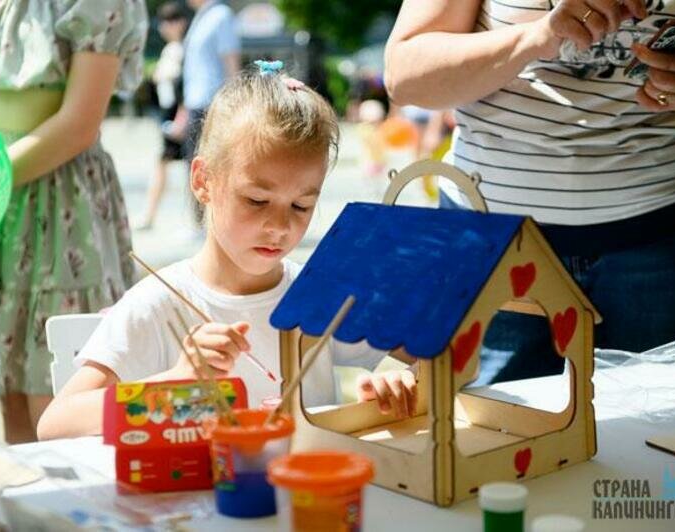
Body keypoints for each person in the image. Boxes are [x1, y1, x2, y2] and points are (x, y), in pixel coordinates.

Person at [37, 64, 418, 440]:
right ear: (203, 181)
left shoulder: (317, 294)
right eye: (256, 200)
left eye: (301, 206)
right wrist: (174, 383)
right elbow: (56, 422)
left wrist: (399, 383)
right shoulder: (158, 302)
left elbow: (438, 358)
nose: (280, 226)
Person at [385, 0, 675, 384]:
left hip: (664, 236)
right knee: (496, 432)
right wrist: (538, 35)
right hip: (495, 242)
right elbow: (404, 75)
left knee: (655, 429)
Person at [0, 0, 147, 443]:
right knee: (11, 399)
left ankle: (74, 511)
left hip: (60, 213)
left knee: (63, 402)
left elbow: (79, 124)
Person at [181, 0, 241, 226]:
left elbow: (231, 59)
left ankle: (212, 222)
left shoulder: (221, 15)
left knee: (212, 166)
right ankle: (200, 222)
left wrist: (236, 103)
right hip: (195, 102)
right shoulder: (201, 16)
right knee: (195, 164)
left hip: (213, 103)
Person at [134, 2, 190, 230]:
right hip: (169, 114)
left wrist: (181, 118)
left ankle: (191, 221)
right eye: (163, 22)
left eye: (170, 21)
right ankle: (150, 215)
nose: (165, 27)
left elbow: (185, 87)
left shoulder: (185, 50)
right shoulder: (171, 50)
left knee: (191, 167)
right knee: (166, 164)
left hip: (180, 115)